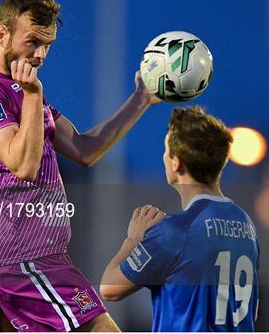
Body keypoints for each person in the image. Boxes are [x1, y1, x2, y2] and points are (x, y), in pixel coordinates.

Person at [0, 0, 158, 332]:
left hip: (43, 257)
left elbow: (83, 149)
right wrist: (34, 96)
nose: (40, 54)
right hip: (22, 258)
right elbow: (23, 165)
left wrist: (141, 99)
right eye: (33, 41)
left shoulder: (24, 89)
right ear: (2, 34)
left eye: (47, 44)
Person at [100, 106, 260, 331]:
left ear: (177, 163)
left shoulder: (175, 232)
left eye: (166, 151)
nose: (164, 157)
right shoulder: (246, 225)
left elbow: (109, 288)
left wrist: (132, 241)